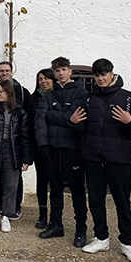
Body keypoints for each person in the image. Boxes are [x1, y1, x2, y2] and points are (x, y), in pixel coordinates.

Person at [78, 59, 131, 262]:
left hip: (119, 159)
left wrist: (130, 121)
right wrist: (74, 123)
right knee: (96, 200)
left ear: (112, 74)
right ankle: (101, 238)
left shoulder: (128, 98)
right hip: (93, 158)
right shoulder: (89, 99)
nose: (101, 78)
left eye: (104, 74)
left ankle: (127, 242)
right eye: (97, 75)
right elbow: (82, 128)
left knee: (122, 202)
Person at [35, 56, 88, 247]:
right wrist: (43, 145)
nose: (61, 73)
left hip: (72, 148)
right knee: (55, 189)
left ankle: (81, 229)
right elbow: (41, 118)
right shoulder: (49, 95)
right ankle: (56, 224)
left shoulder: (81, 92)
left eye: (64, 69)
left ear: (70, 71)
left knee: (76, 190)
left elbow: (77, 117)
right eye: (57, 71)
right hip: (52, 148)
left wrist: (54, 115)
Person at [0, 80, 32, 233]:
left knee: (11, 186)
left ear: (9, 92)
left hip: (12, 151)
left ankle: (6, 216)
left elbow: (25, 136)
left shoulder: (20, 111)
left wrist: (26, 159)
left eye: (1, 91)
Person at [0, 61, 32, 220]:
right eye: (1, 71)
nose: (4, 73)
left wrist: (26, 155)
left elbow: (27, 120)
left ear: (12, 72)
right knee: (2, 177)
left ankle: (16, 206)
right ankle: (2, 205)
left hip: (15, 141)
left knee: (15, 178)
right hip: (0, 142)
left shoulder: (22, 91)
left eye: (7, 70)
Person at [29, 68, 56, 229]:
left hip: (55, 145)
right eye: (40, 79)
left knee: (55, 181)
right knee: (42, 181)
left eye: (46, 78)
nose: (43, 81)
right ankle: (42, 214)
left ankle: (55, 216)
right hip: (38, 146)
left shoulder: (58, 96)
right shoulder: (33, 99)